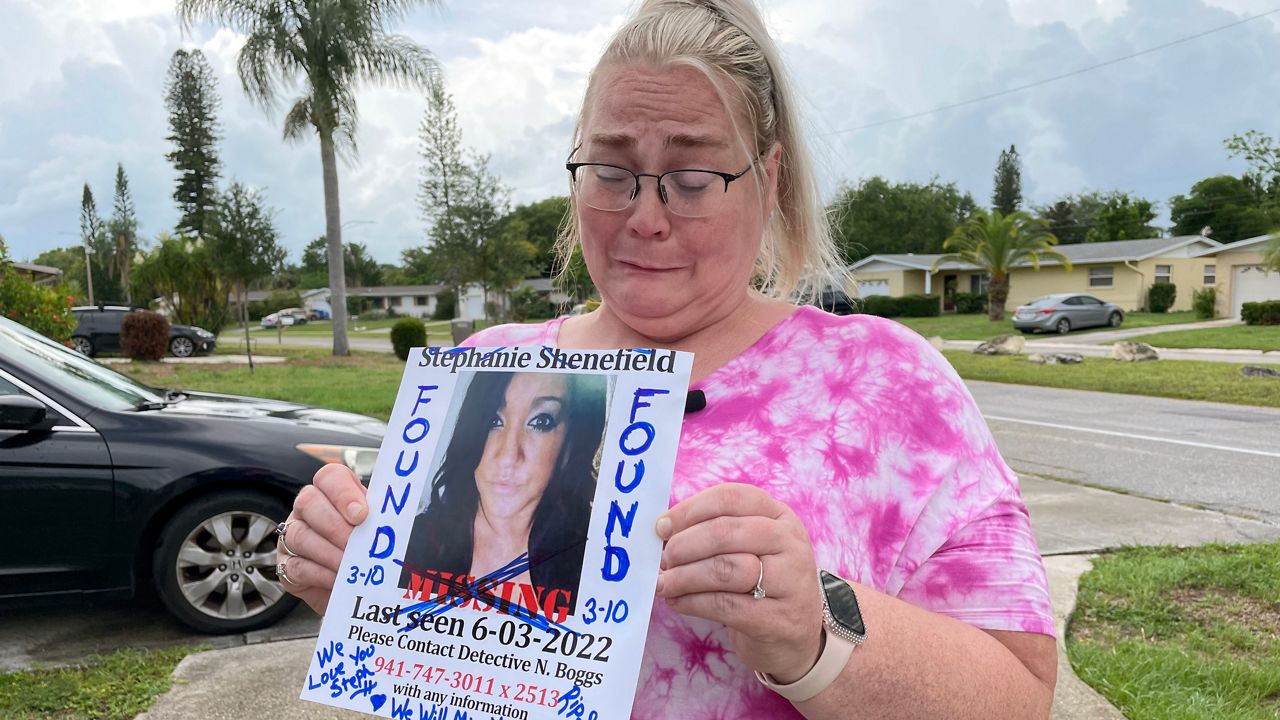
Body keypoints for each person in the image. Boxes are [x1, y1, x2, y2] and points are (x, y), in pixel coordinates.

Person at [276, 0, 1058, 717]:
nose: (644, 218)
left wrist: (813, 631)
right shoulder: (486, 371)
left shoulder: (883, 382)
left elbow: (1019, 696)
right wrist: (348, 586)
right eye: (612, 173)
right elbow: (433, 674)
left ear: (769, 178)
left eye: (690, 178)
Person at [397, 371, 607, 614]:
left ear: (572, 443)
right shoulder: (410, 545)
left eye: (541, 422)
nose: (508, 456)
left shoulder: (595, 562)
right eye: (492, 421)